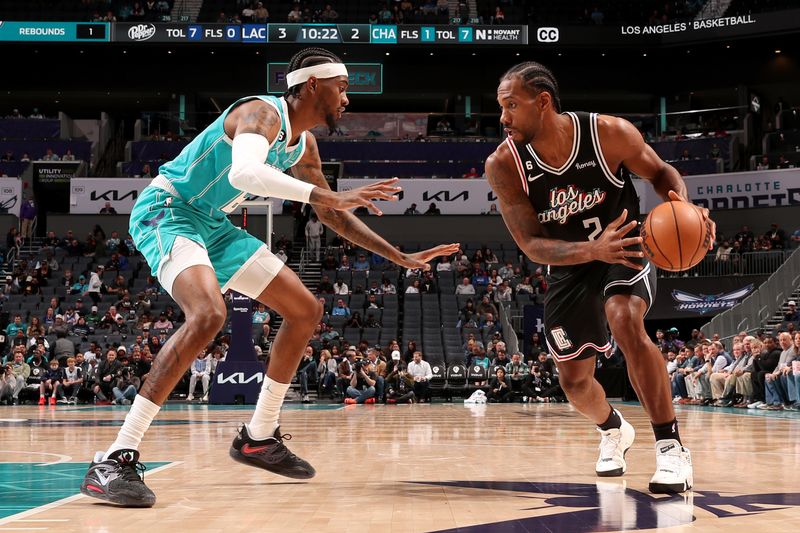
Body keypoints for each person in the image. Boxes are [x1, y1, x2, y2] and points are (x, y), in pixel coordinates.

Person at [80, 47, 458, 507]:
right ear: (312, 85)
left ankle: (258, 436)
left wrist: (397, 256)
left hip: (214, 224)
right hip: (169, 211)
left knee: (305, 310)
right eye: (342, 88)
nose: (347, 100)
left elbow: (332, 215)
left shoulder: (306, 146)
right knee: (207, 314)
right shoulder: (260, 112)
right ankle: (116, 457)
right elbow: (246, 172)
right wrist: (330, 196)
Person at [485, 62, 715, 494]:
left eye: (511, 105)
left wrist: (684, 207)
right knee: (573, 382)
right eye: (501, 107)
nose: (503, 117)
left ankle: (671, 449)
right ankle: (613, 429)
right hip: (570, 264)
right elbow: (531, 244)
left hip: (625, 244)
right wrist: (592, 250)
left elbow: (661, 172)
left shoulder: (608, 133)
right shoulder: (504, 164)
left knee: (625, 318)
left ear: (543, 102)